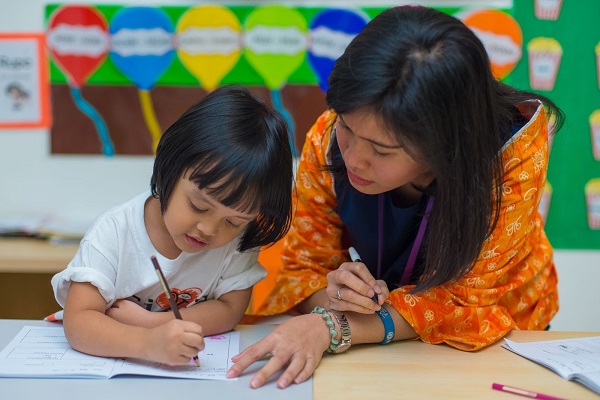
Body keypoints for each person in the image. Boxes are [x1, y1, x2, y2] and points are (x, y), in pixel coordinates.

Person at [226, 5, 564, 389]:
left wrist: (332, 326)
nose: (352, 157)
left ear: (446, 146)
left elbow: (465, 303)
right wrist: (334, 293)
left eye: (382, 151)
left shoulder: (510, 159)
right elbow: (303, 270)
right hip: (378, 337)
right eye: (346, 126)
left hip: (499, 345)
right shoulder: (328, 137)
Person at [51, 85, 293, 366]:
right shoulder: (114, 233)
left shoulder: (238, 242)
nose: (209, 229)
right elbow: (79, 323)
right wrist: (148, 344)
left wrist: (151, 322)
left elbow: (230, 310)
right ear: (171, 169)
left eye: (233, 222)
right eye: (199, 207)